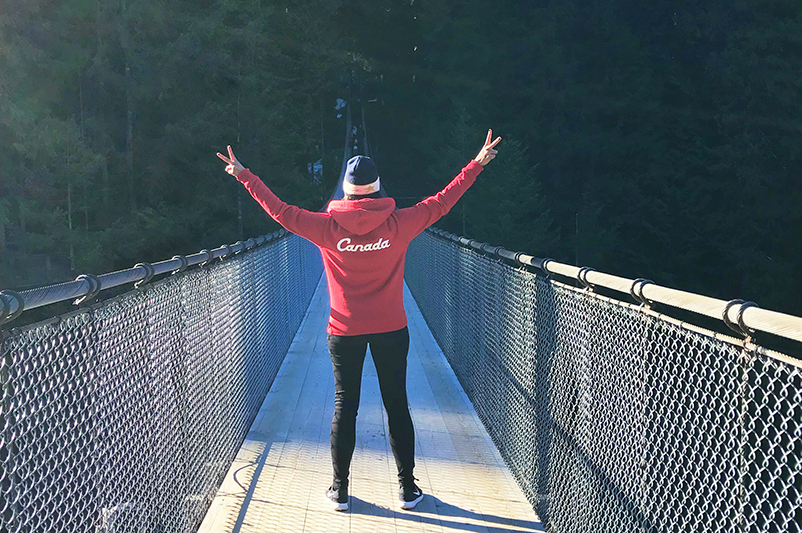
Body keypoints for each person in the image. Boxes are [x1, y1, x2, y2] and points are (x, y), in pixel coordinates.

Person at [217, 130, 501, 512]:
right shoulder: (400, 223)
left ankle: (341, 490)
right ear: (377, 189)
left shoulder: (325, 227)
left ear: (346, 192)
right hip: (390, 327)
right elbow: (441, 202)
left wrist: (245, 176)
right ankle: (407, 490)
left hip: (344, 330)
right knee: (396, 405)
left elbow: (280, 211)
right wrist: (475, 165)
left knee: (344, 406)